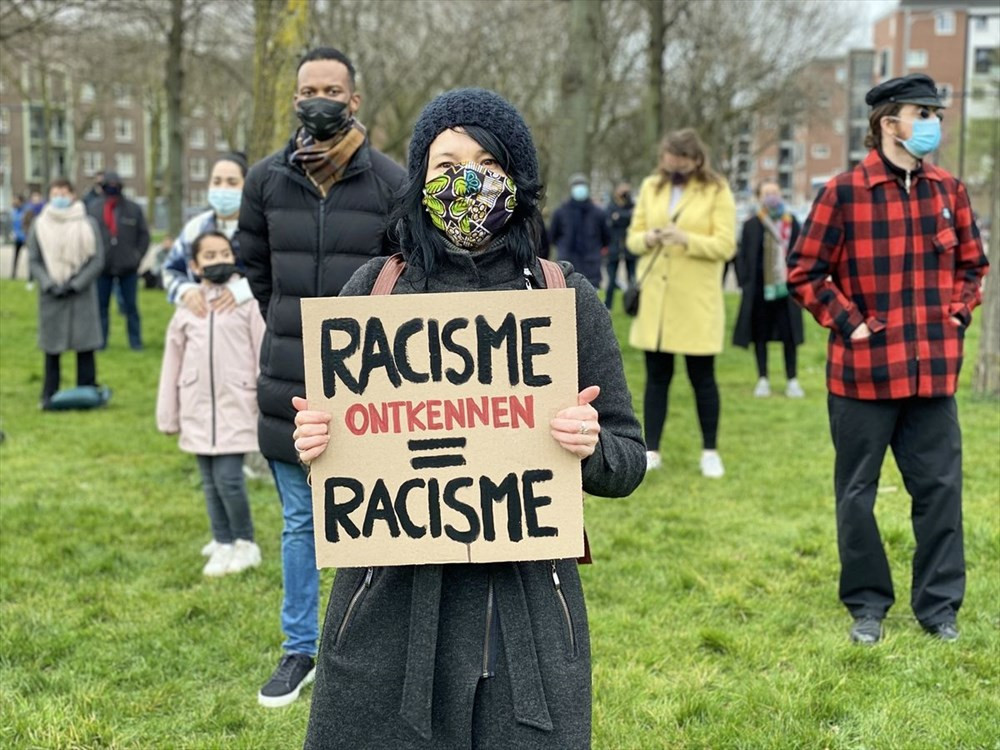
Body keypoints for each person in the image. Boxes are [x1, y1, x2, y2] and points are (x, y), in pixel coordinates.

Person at [291, 86, 645, 750]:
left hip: (523, 626)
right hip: (388, 613)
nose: (467, 182)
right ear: (420, 178)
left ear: (517, 181)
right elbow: (337, 463)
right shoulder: (371, 293)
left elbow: (626, 459)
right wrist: (316, 445)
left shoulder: (564, 299)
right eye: (447, 164)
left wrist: (590, 445)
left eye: (487, 164)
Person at [787, 73, 989, 645]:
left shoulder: (948, 191)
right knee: (857, 496)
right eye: (920, 113)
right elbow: (804, 270)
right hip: (862, 378)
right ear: (887, 123)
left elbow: (974, 265)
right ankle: (867, 606)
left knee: (941, 493)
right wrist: (851, 325)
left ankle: (940, 608)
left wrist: (957, 312)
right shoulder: (842, 192)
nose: (932, 124)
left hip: (933, 376)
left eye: (935, 114)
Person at [239, 46, 406, 707]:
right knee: (302, 523)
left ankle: (373, 645)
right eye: (309, 88)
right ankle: (300, 649)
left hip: (370, 386)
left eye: (332, 88)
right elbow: (256, 269)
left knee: (381, 519)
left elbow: (404, 276)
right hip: (289, 381)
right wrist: (290, 328)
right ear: (294, 96)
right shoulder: (264, 181)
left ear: (354, 99)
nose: (319, 98)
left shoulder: (393, 182)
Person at [626, 129, 736, 477]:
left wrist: (687, 239)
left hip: (695, 300)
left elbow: (725, 244)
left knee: (702, 379)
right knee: (657, 379)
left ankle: (710, 451)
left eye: (680, 163)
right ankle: (652, 449)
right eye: (668, 162)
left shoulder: (716, 190)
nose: (673, 168)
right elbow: (632, 238)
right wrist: (651, 237)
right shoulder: (651, 187)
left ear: (695, 159)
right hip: (657, 300)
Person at [156, 231, 265, 577]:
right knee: (208, 480)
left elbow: (263, 353)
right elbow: (172, 361)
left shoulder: (247, 303)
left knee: (229, 479)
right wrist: (168, 413)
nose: (218, 261)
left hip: (237, 404)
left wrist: (264, 401)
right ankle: (222, 540)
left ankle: (245, 543)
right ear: (194, 265)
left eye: (224, 254)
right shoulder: (187, 308)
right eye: (209, 256)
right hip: (197, 407)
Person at [26, 178, 104, 409]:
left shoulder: (87, 223)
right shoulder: (39, 225)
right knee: (52, 347)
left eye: (64, 192)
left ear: (72, 195)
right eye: (55, 192)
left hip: (80, 292)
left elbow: (96, 258)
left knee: (85, 345)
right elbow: (34, 260)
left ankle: (87, 392)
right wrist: (49, 283)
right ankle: (50, 393)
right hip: (51, 294)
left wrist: (76, 283)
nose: (60, 196)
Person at [732, 179, 805, 398]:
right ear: (759, 197)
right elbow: (741, 256)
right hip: (759, 292)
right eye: (767, 192)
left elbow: (802, 252)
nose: (771, 196)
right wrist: (745, 282)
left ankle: (792, 379)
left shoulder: (792, 222)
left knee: (789, 336)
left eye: (775, 191)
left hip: (786, 291)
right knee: (760, 336)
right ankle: (762, 378)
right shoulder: (752, 224)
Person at [162, 153, 254, 314]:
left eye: (232, 182)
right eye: (217, 181)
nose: (223, 188)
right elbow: (170, 270)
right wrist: (185, 290)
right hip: (202, 325)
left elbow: (282, 274)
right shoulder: (195, 227)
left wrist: (245, 289)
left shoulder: (261, 228)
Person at [86, 171, 150, 351]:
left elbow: (144, 235)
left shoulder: (133, 208)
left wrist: (137, 256)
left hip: (128, 267)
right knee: (101, 308)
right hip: (102, 268)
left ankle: (135, 342)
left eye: (115, 185)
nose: (112, 189)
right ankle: (100, 343)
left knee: (131, 308)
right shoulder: (94, 209)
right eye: (108, 185)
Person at [548, 173, 609, 289]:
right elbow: (552, 236)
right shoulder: (561, 213)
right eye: (576, 185)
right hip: (567, 267)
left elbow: (606, 237)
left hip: (591, 267)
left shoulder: (598, 213)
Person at [603, 181, 635, 309]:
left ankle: (631, 304)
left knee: (632, 278)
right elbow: (610, 220)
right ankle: (608, 306)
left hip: (630, 249)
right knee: (611, 280)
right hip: (614, 248)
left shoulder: (632, 205)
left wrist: (619, 217)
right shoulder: (610, 206)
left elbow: (633, 217)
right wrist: (625, 216)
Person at [10, 194, 28, 280]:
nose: (14, 202)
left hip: (26, 238)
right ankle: (13, 274)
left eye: (16, 200)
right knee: (16, 257)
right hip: (17, 238)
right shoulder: (14, 212)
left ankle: (30, 277)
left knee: (30, 258)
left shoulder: (26, 211)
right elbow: (13, 225)